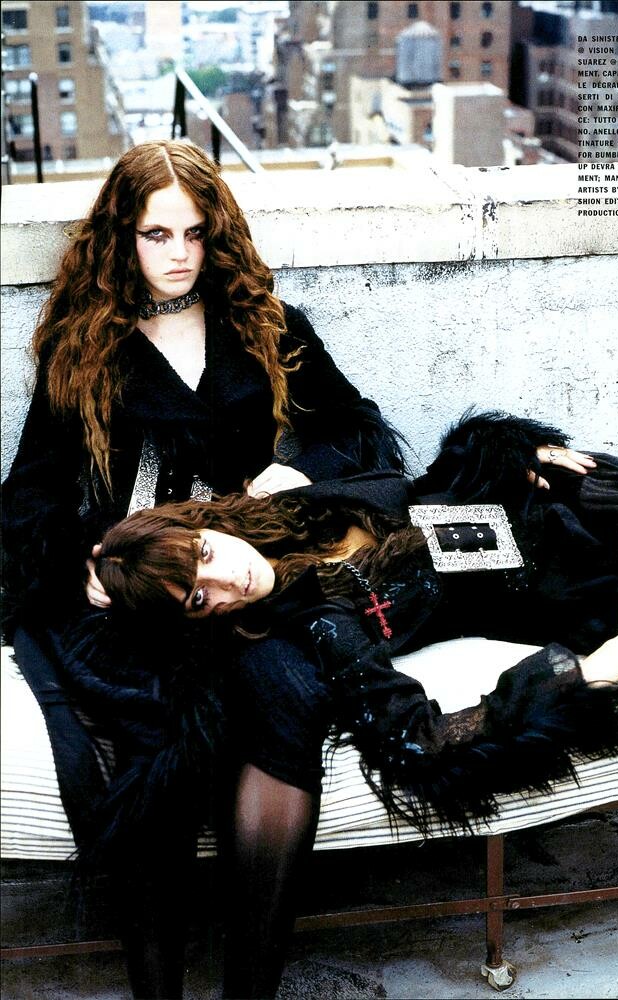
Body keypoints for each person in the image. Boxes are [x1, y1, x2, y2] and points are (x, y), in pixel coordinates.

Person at [89, 412, 618, 997]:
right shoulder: (312, 623)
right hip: (573, 597)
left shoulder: (293, 502)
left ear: (204, 524)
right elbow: (420, 740)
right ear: (197, 621)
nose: (228, 578)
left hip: (564, 501)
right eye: (199, 596)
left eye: (204, 554)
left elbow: (427, 481)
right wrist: (575, 676)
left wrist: (513, 450)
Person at [1, 139, 407, 1000]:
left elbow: (359, 429)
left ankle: (250, 988)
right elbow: (31, 490)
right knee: (153, 734)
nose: (179, 254)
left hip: (245, 572)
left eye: (194, 233)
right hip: (140, 590)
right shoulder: (85, 347)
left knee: (287, 698)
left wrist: (298, 470)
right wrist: (78, 561)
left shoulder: (266, 325)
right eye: (157, 234)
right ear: (123, 237)